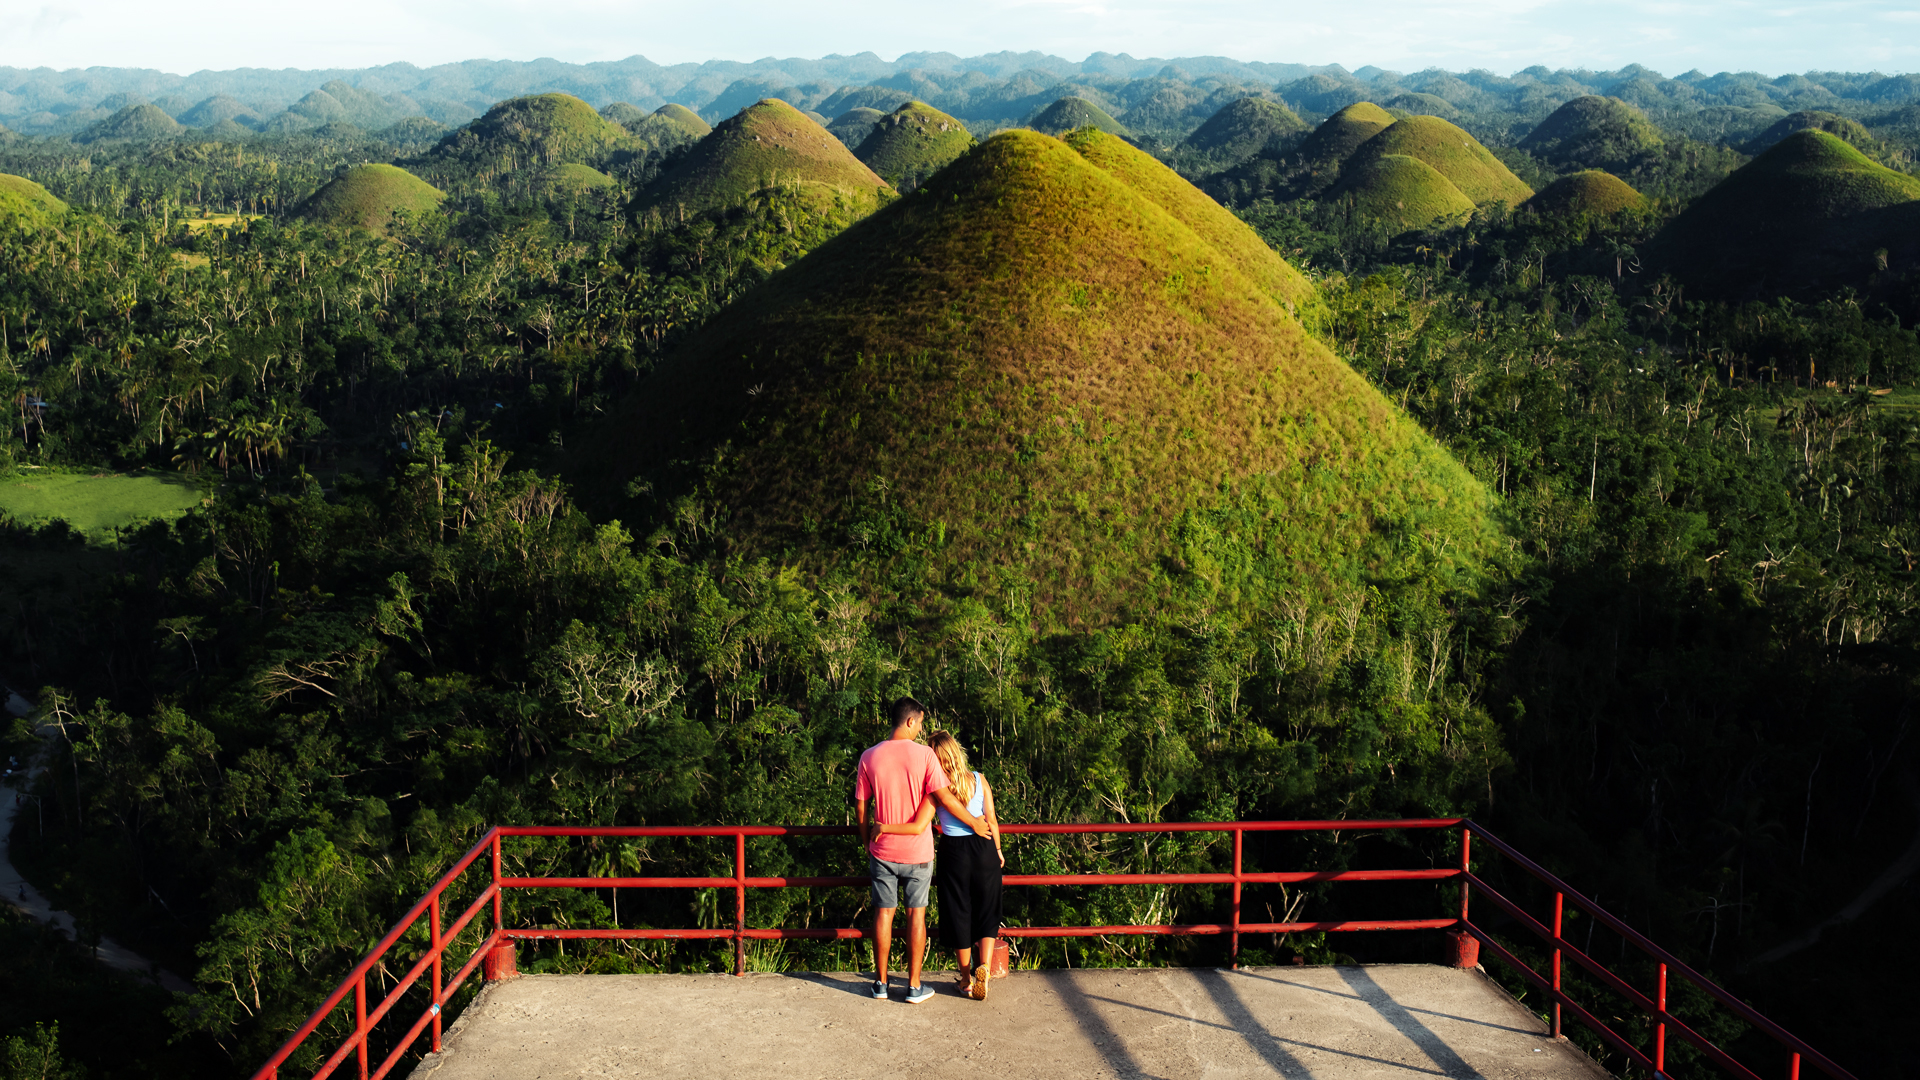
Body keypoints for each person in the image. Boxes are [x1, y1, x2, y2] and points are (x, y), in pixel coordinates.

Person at [855, 697, 990, 1004]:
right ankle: (914, 986)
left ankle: (880, 983)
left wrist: (866, 841)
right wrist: (974, 822)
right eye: (921, 723)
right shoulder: (926, 756)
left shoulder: (868, 756)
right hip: (918, 853)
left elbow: (861, 807)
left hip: (882, 849)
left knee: (884, 914)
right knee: (917, 916)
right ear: (911, 721)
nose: (921, 729)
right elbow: (945, 798)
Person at [879, 730, 1004, 1000]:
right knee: (987, 910)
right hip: (984, 847)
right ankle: (985, 965)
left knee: (959, 912)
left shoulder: (938, 788)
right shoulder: (979, 779)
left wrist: (884, 827)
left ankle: (967, 979)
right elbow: (991, 819)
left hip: (955, 852)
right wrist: (998, 850)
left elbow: (918, 825)